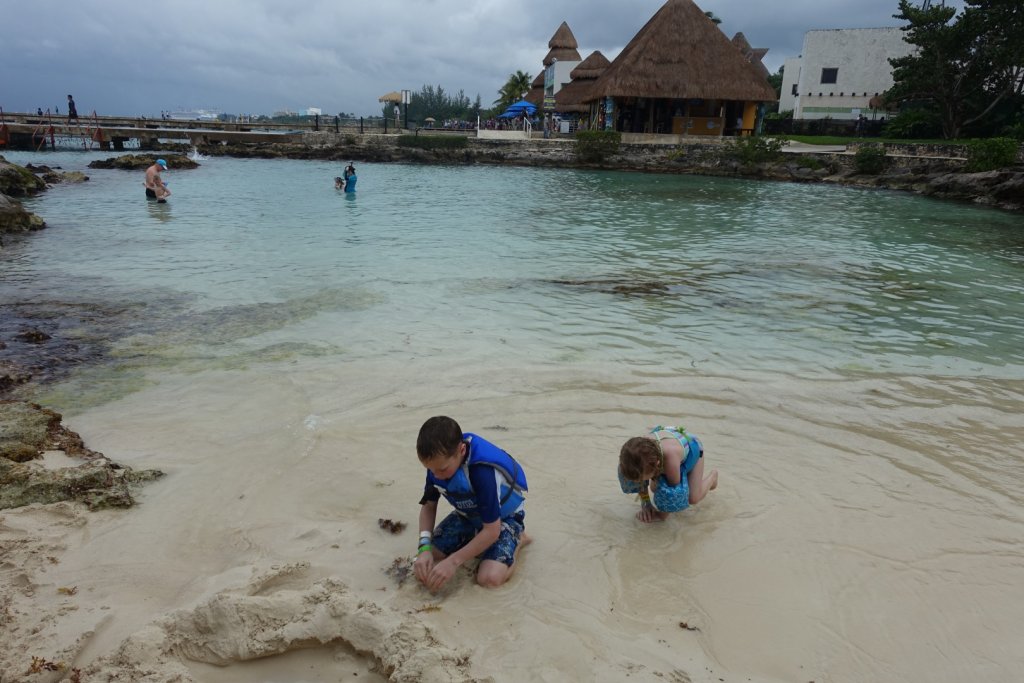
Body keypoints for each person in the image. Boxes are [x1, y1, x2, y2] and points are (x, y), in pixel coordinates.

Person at [413, 416, 530, 591]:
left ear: (461, 450)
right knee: (427, 564)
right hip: (468, 515)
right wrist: (424, 548)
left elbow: (492, 530)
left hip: (503, 519)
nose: (435, 475)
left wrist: (453, 562)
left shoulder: (481, 472)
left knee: (489, 579)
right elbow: (429, 506)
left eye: (442, 469)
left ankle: (519, 539)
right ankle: (472, 542)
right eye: (430, 470)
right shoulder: (437, 466)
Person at [618, 423, 718, 523]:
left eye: (641, 480)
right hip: (671, 441)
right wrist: (646, 503)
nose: (639, 482)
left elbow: (672, 490)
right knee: (654, 488)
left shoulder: (670, 459)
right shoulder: (640, 451)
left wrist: (661, 516)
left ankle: (713, 477)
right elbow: (639, 478)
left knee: (693, 498)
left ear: (657, 466)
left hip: (692, 449)